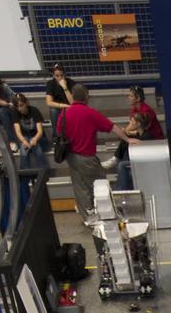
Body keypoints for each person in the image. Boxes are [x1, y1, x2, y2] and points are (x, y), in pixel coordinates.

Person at [61, 84, 136, 222]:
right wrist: (127, 139)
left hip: (71, 157)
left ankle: (89, 218)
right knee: (100, 185)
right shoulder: (89, 112)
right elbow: (112, 126)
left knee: (80, 187)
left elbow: (60, 132)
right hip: (87, 156)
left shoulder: (64, 113)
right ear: (86, 96)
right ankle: (109, 215)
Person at [12, 94, 49, 170]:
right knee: (24, 153)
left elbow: (40, 131)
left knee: (38, 150)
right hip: (24, 136)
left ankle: (44, 172)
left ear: (26, 103)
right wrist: (23, 141)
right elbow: (18, 132)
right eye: (17, 106)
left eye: (21, 105)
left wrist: (35, 139)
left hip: (37, 136)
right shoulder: (15, 113)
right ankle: (25, 175)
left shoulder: (34, 110)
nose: (20, 109)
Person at [44, 63, 74, 137]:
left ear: (64, 75)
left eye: (62, 75)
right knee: (53, 111)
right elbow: (49, 102)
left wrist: (65, 87)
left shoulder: (70, 82)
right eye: (57, 76)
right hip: (59, 108)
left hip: (70, 109)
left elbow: (73, 103)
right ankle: (56, 137)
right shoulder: (50, 83)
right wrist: (64, 106)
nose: (60, 78)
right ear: (53, 75)